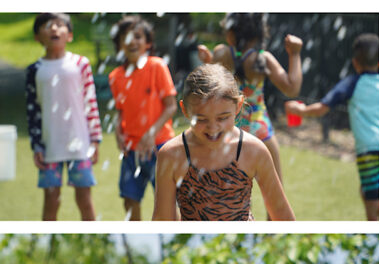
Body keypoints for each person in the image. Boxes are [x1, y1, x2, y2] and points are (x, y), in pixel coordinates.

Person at [153, 64, 293, 221]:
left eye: (223, 118)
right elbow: (163, 219)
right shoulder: (172, 154)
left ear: (238, 106)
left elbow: (282, 214)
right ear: (185, 110)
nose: (213, 128)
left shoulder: (253, 150)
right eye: (201, 119)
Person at [283, 34, 379, 220]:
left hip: (367, 150)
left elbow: (321, 108)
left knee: (372, 202)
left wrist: (300, 110)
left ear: (355, 62)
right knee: (369, 191)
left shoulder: (353, 83)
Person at [197, 13, 302, 183]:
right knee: (275, 198)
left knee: (235, 200)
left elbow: (212, 83)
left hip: (230, 133)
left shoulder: (222, 53)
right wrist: (295, 54)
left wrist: (209, 60)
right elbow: (292, 88)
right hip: (261, 130)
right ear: (259, 33)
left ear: (232, 32)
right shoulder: (263, 58)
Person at [25, 13, 101, 221]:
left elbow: (90, 102)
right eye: (47, 26)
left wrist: (95, 139)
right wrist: (37, 146)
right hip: (50, 145)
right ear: (37, 37)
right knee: (51, 199)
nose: (54, 29)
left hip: (80, 144)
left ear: (69, 35)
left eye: (59, 25)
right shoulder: (35, 70)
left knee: (84, 198)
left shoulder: (80, 64)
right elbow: (33, 111)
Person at [109, 15, 177, 221]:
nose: (132, 41)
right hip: (131, 151)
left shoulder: (157, 66)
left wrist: (151, 132)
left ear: (147, 43)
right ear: (119, 44)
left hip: (161, 148)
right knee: (129, 200)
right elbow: (120, 111)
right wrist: (118, 130)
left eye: (137, 36)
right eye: (126, 37)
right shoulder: (115, 77)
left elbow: (171, 106)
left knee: (168, 202)